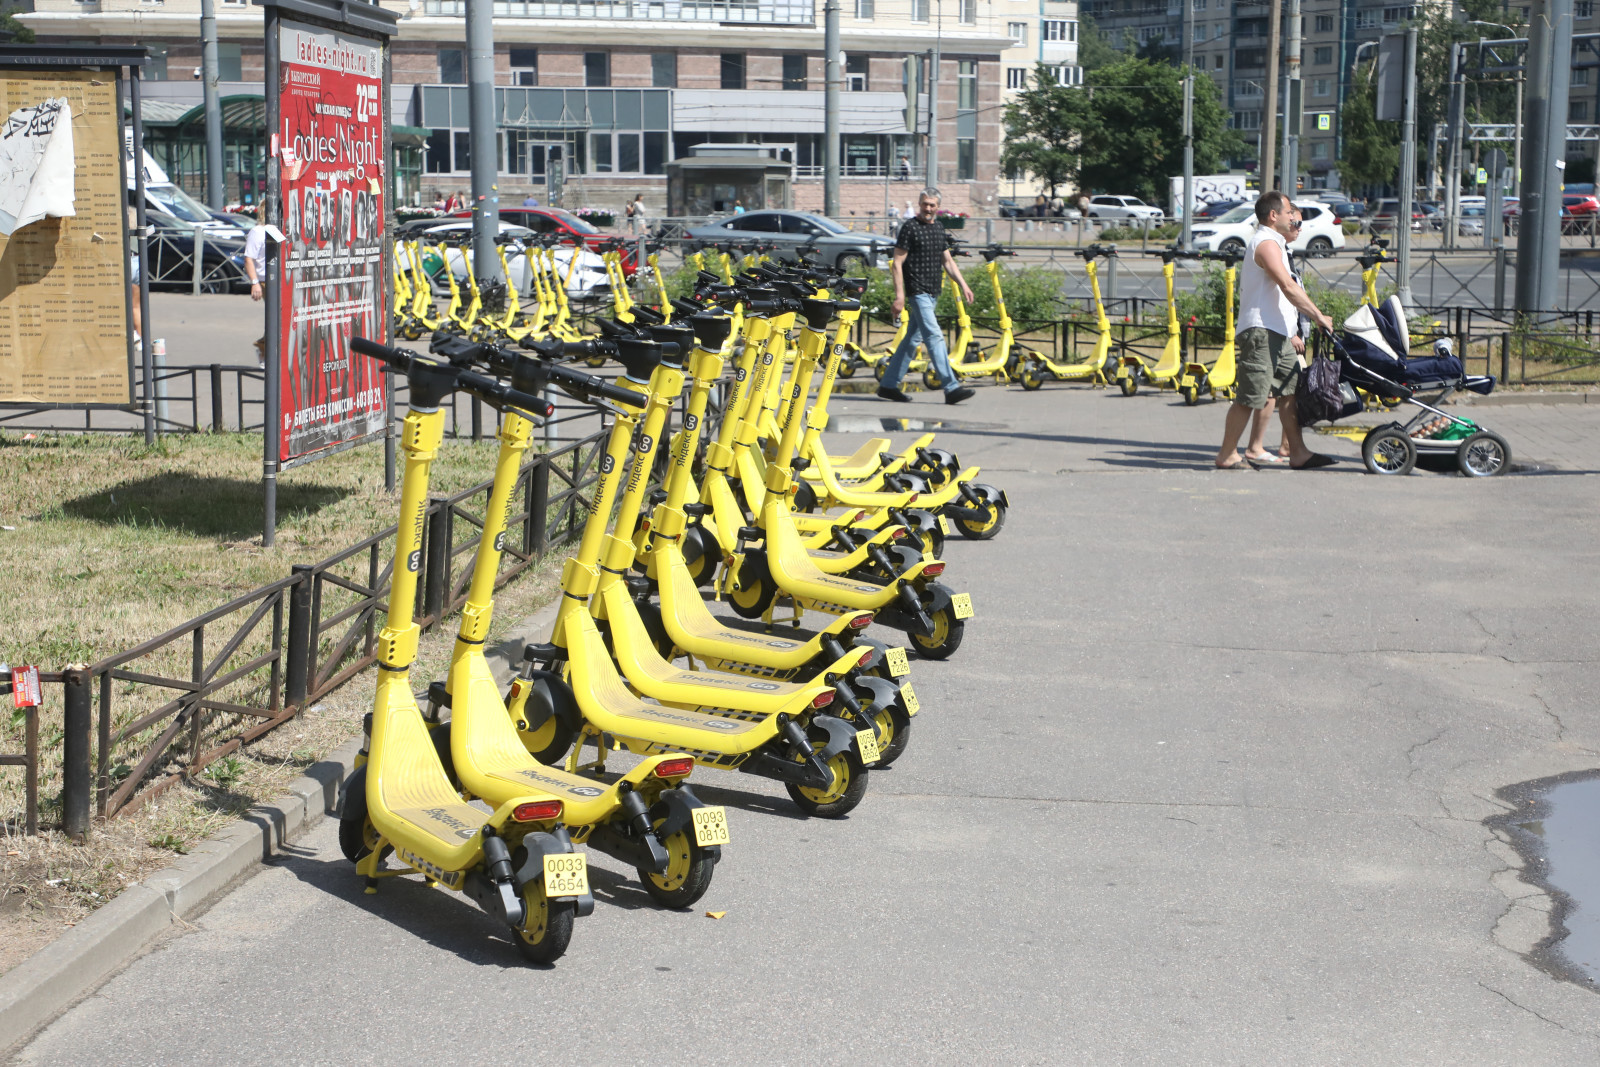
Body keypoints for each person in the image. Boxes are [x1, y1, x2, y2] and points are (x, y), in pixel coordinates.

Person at [1215, 191, 1334, 471]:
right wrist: (1317, 316)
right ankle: (1227, 454)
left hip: (1278, 333)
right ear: (1273, 215)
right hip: (1261, 332)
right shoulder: (1266, 243)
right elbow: (1287, 286)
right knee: (1251, 396)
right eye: (1289, 212)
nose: (1293, 217)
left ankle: (1298, 452)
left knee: (1290, 391)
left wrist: (1293, 329)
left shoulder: (1277, 243)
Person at [878, 188, 976, 406]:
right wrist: (899, 296)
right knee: (934, 336)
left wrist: (964, 285)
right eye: (925, 204)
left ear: (938, 207)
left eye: (932, 205)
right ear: (919, 204)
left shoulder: (939, 228)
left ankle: (888, 385)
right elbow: (897, 263)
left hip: (933, 292)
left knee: (912, 339)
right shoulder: (910, 228)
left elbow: (948, 261)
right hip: (917, 292)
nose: (928, 208)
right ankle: (951, 388)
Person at [243, 221, 268, 364]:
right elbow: (248, 259)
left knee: (281, 317)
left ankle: (267, 350)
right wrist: (255, 283)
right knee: (276, 317)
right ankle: (263, 350)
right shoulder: (258, 231)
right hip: (264, 280)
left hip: (280, 279)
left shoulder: (279, 228)